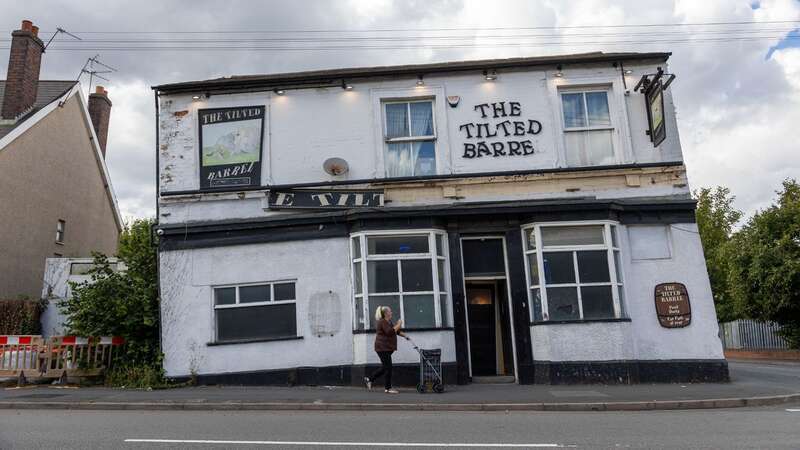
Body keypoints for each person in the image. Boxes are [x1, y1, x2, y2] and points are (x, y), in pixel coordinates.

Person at [364, 305, 405, 394]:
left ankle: (369, 379)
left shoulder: (388, 321)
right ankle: (388, 388)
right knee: (388, 368)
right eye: (390, 311)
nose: (391, 312)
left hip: (386, 348)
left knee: (385, 367)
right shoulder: (382, 322)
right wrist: (399, 324)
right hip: (382, 348)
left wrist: (405, 335)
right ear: (386, 313)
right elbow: (390, 332)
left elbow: (395, 331)